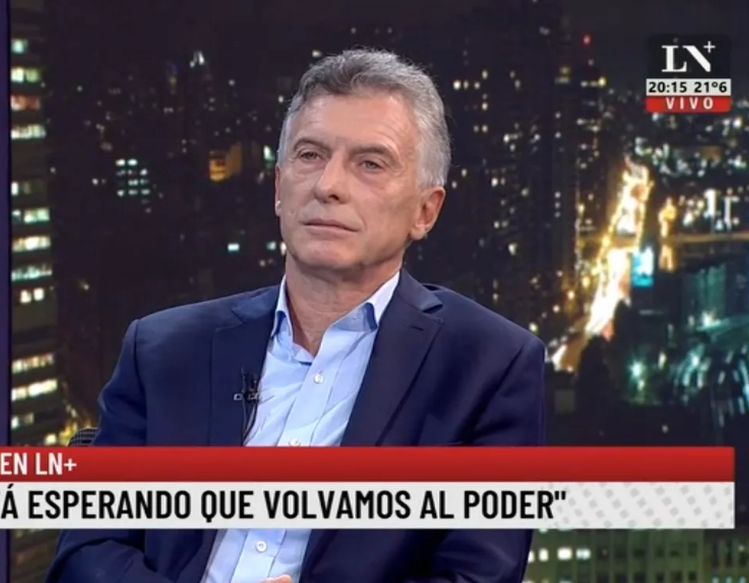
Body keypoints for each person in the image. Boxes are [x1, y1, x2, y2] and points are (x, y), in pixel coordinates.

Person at [47, 48, 545, 583]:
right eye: (310, 155)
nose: (329, 185)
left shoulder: (488, 366)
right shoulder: (163, 349)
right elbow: (87, 551)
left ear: (425, 211)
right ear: (278, 189)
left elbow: (475, 576)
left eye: (370, 164)